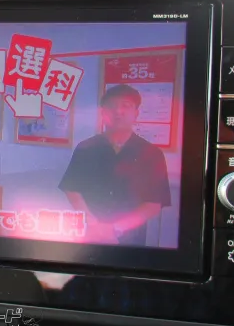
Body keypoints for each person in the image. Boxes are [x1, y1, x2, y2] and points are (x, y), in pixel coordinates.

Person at [59, 84, 171, 246]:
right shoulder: (85, 148)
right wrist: (93, 224)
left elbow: (154, 204)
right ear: (103, 113)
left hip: (130, 238)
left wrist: (115, 229)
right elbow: (71, 189)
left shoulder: (152, 153)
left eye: (126, 106)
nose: (118, 111)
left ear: (136, 113)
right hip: (88, 233)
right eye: (112, 106)